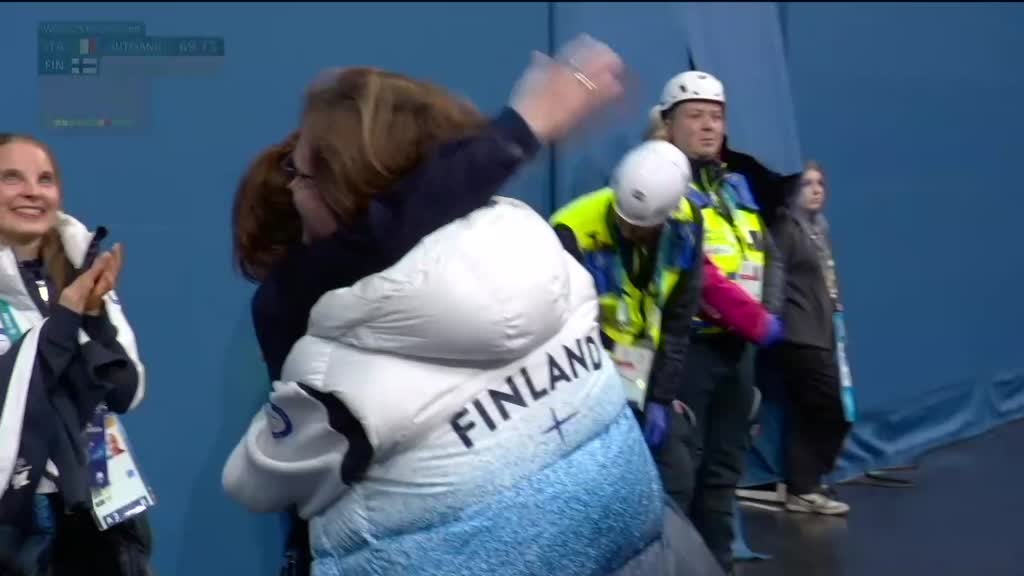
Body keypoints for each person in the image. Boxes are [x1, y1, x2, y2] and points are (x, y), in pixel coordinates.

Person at [226, 38, 726, 575]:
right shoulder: (540, 246)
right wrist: (522, 128)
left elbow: (255, 481)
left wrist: (521, 128)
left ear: (347, 188)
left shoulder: (315, 330)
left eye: (300, 175)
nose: (293, 190)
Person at [548, 139, 782, 513]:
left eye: (641, 228)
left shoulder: (687, 225)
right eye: (624, 222)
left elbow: (676, 320)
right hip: (587, 376)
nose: (629, 232)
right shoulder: (571, 231)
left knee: (676, 476)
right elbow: (554, 326)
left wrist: (659, 398)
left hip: (647, 373)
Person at [647, 70, 784, 574]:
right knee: (679, 478)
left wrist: (766, 317)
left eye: (716, 117)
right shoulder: (659, 186)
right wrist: (757, 323)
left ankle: (718, 564)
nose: (708, 127)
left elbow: (767, 255)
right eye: (695, 116)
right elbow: (692, 273)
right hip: (686, 352)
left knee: (725, 473)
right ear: (668, 125)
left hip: (737, 351)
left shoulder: (735, 188)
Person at [0, 134, 150, 575]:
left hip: (108, 497)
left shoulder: (80, 268)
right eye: (11, 177)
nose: (32, 190)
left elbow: (126, 391)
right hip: (20, 513)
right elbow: (14, 395)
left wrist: (95, 314)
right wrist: (66, 316)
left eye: (45, 179)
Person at [770, 161, 851, 515]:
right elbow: (774, 273)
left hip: (824, 331)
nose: (817, 189)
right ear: (792, 191)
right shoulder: (786, 228)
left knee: (811, 411)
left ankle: (805, 484)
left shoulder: (820, 229)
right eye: (808, 184)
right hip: (798, 334)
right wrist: (771, 321)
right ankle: (804, 485)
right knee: (826, 407)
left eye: (820, 182)